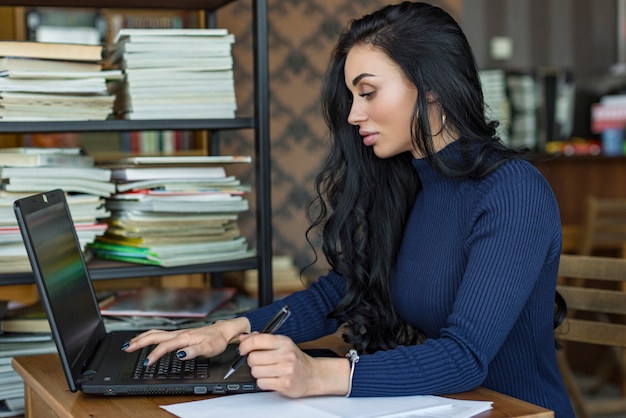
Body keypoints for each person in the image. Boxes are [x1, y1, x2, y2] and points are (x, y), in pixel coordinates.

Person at [123, 2, 574, 416]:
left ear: (432, 88)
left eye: (368, 92)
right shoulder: (406, 182)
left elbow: (465, 356)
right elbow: (339, 293)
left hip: (516, 411)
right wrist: (227, 330)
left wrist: (318, 375)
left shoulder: (512, 190)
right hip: (439, 407)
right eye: (353, 96)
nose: (354, 114)